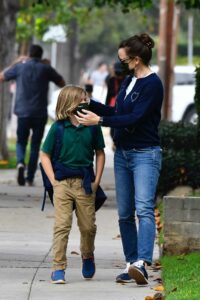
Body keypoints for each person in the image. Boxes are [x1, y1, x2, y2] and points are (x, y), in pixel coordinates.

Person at [75, 33, 163, 285]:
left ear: (135, 60)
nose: (120, 64)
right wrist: (90, 104)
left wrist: (100, 121)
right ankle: (131, 263)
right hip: (124, 154)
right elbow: (117, 111)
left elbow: (135, 117)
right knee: (125, 213)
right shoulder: (128, 82)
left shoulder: (153, 85)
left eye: (123, 60)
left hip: (146, 153)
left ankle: (142, 264)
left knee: (144, 208)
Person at [40, 85, 105, 284]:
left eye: (86, 99)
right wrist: (53, 181)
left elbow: (100, 153)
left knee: (88, 227)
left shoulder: (93, 126)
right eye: (81, 100)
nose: (85, 102)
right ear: (69, 104)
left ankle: (87, 255)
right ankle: (58, 267)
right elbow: (44, 155)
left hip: (85, 184)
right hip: (62, 184)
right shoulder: (58, 128)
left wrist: (97, 181)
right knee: (62, 226)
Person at [0, 45, 65, 186]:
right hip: (39, 113)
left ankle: (20, 163)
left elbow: (1, 76)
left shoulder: (19, 67)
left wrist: (16, 62)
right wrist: (49, 66)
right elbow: (62, 83)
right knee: (35, 145)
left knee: (21, 141)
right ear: (41, 56)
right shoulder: (46, 69)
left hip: (22, 113)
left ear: (28, 55)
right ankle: (29, 177)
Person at [105, 61, 126, 143]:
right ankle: (115, 143)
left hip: (122, 108)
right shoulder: (111, 80)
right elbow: (108, 95)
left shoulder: (126, 80)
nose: (118, 74)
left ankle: (118, 143)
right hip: (112, 106)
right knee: (112, 129)